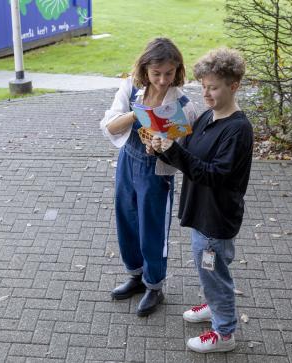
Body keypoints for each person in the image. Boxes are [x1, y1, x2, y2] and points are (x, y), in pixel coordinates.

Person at [151, 48, 252, 352]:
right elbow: (189, 152)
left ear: (233, 86)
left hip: (216, 216)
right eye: (203, 87)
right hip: (201, 209)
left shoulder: (237, 129)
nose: (206, 94)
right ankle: (214, 305)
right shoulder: (209, 114)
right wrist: (162, 146)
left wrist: (176, 151)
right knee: (211, 270)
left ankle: (224, 333)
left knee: (213, 271)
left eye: (214, 88)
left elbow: (215, 174)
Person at [100, 38, 197, 317]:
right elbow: (109, 127)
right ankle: (135, 275)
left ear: (177, 69)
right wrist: (137, 114)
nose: (163, 80)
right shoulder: (131, 88)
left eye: (169, 73)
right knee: (126, 218)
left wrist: (162, 146)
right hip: (128, 162)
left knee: (152, 227)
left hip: (157, 171)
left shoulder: (182, 103)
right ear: (145, 69)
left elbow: (183, 150)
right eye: (157, 74)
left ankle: (154, 285)